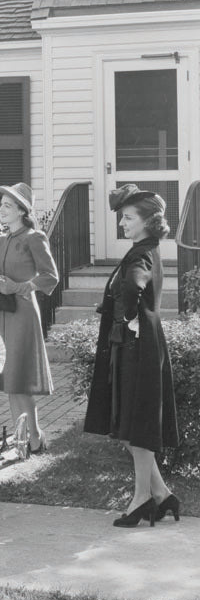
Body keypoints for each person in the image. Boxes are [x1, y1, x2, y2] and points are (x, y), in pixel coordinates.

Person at [84, 185, 180, 528]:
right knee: (128, 427)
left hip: (137, 347)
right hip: (140, 345)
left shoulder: (140, 254)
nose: (122, 223)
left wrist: (124, 314)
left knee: (135, 428)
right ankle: (162, 495)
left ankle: (141, 499)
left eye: (128, 218)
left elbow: (134, 286)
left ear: (147, 221)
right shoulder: (147, 248)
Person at [0, 183, 58, 455]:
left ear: (23, 212)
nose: (1, 210)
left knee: (20, 377)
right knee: (8, 378)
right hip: (0, 312)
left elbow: (50, 276)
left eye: (8, 206)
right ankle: (20, 438)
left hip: (22, 312)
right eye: (1, 205)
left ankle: (34, 438)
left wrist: (21, 286)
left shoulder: (34, 238)